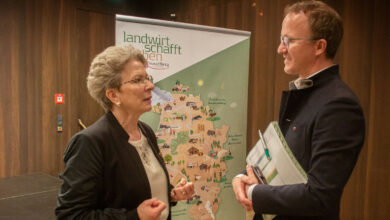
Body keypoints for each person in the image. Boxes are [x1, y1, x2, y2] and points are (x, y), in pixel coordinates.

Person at [232, 1, 365, 219]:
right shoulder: (307, 94)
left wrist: (254, 193)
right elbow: (280, 163)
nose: (280, 49)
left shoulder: (339, 106)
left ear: (319, 46)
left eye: (288, 40)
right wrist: (242, 177)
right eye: (281, 40)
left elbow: (320, 196)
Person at [55, 45, 194, 220]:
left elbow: (140, 189)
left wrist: (171, 194)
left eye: (147, 78)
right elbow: (70, 215)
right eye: (137, 80)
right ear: (113, 95)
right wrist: (134, 216)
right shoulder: (90, 142)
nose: (150, 85)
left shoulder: (146, 132)